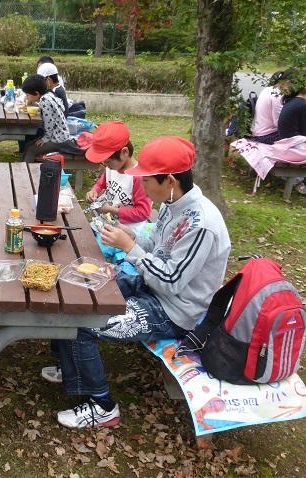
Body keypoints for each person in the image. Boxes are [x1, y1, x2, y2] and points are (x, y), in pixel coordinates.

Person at [45, 136, 231, 429]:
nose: (141, 185)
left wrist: (130, 249)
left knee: (83, 324)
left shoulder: (201, 225)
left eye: (146, 180)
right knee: (76, 291)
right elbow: (156, 243)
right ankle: (72, 368)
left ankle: (103, 406)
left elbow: (170, 281)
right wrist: (130, 237)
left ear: (170, 181)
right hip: (150, 286)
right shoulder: (172, 203)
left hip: (174, 311)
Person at [85, 121, 152, 234]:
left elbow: (143, 213)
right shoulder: (112, 168)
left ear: (124, 152)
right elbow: (101, 183)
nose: (106, 166)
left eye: (108, 162)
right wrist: (94, 191)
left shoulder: (139, 177)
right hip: (109, 223)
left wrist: (112, 210)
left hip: (128, 232)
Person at [21, 74, 84, 163]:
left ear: (37, 93)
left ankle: (25, 170)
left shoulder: (45, 102)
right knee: (28, 145)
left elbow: (49, 123)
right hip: (60, 134)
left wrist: (44, 139)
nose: (26, 97)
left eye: (27, 95)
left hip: (58, 139)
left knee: (31, 150)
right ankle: (27, 166)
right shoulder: (49, 94)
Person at [277, 71, 306, 198]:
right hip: (294, 146)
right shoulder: (303, 105)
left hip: (287, 143)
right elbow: (305, 133)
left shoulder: (293, 101)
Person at [250, 71, 287, 144]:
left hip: (258, 132)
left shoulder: (267, 89)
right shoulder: (277, 95)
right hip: (266, 135)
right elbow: (279, 123)